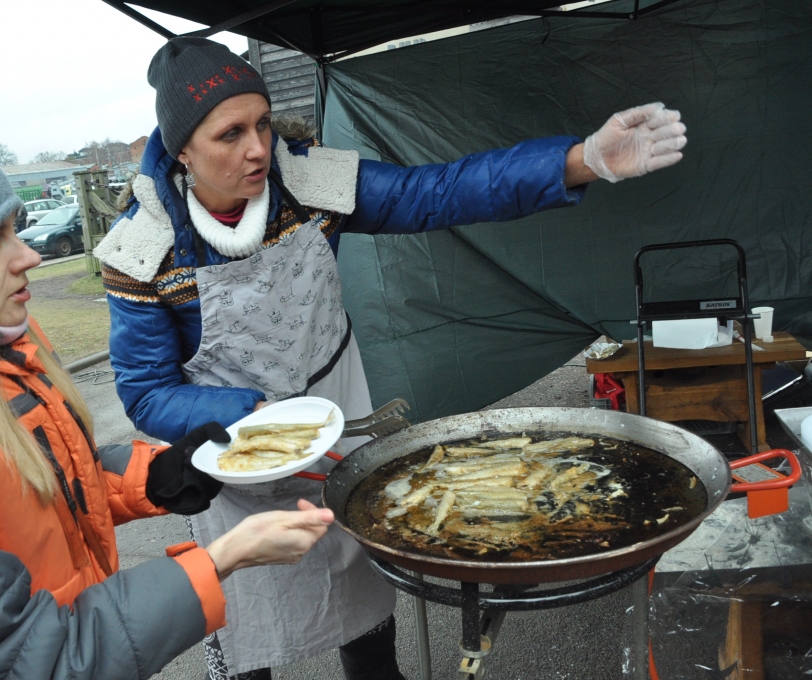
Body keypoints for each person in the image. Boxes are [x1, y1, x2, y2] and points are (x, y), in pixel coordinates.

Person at [96, 37, 687, 680]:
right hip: (233, 447)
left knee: (358, 585)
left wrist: (579, 161)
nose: (258, 148)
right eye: (230, 134)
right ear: (182, 148)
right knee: (247, 613)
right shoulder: (144, 251)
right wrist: (254, 414)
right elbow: (147, 391)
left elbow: (436, 192)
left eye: (263, 123)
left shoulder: (309, 183)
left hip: (337, 413)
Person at [0, 110, 335, 680]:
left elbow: (30, 480)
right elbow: (17, 661)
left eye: (15, 230)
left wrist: (165, 473)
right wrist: (222, 558)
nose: (29, 256)